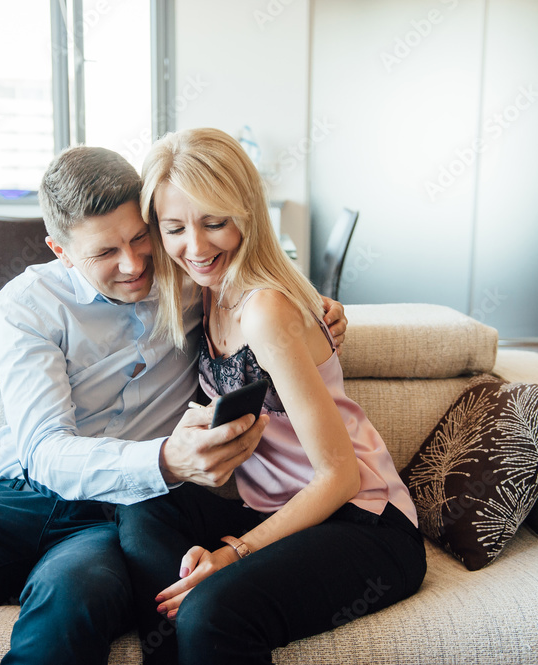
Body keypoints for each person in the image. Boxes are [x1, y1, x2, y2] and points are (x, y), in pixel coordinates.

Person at [0, 145, 346, 665]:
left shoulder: (187, 276)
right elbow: (44, 451)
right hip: (15, 499)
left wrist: (319, 306)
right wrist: (166, 462)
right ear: (61, 251)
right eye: (104, 251)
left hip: (115, 518)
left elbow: (260, 289)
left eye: (139, 239)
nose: (133, 265)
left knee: (69, 612)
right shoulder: (28, 305)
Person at [116, 128, 427, 665]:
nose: (196, 246)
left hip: (363, 521)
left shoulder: (265, 311)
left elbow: (340, 477)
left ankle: (200, 607)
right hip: (275, 511)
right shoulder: (200, 294)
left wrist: (234, 553)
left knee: (216, 613)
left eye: (215, 222)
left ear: (247, 214)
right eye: (174, 228)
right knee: (142, 508)